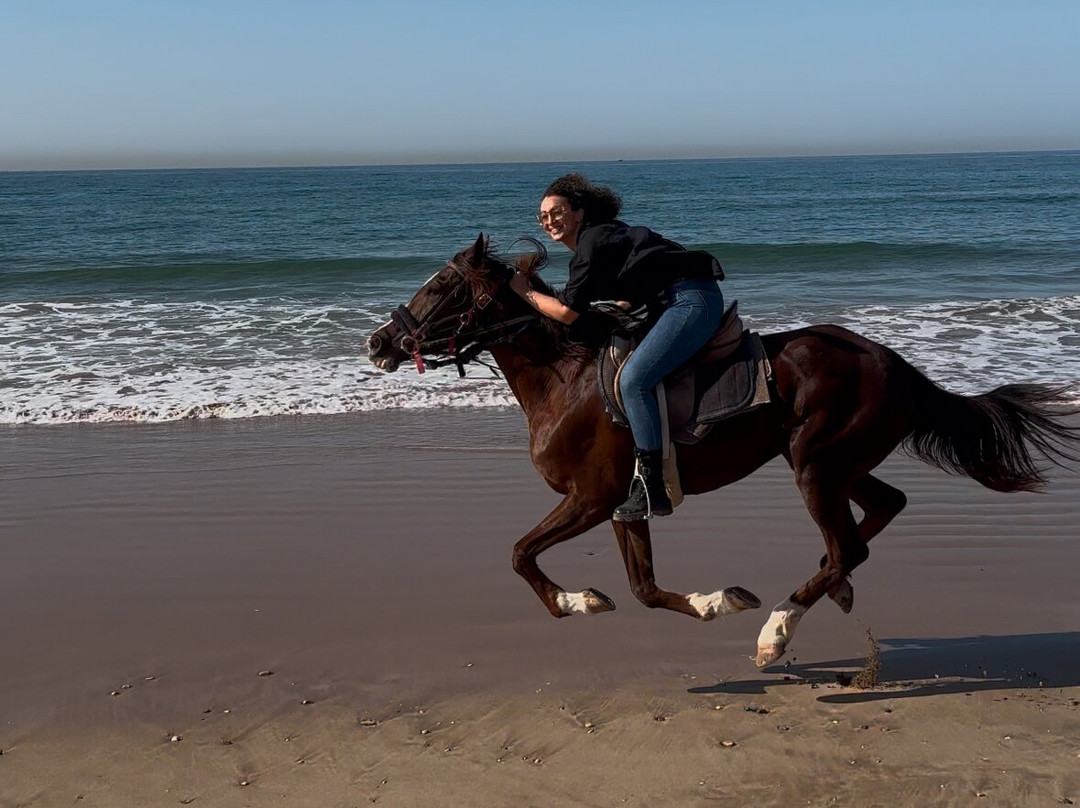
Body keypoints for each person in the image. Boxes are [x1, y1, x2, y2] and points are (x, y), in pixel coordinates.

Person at [509, 172, 725, 521]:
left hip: (690, 300)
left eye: (557, 212)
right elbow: (639, 275)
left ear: (579, 213)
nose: (550, 221)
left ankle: (652, 488)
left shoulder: (591, 243)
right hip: (671, 300)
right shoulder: (599, 239)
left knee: (633, 380)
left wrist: (526, 293)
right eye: (543, 216)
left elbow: (566, 312)